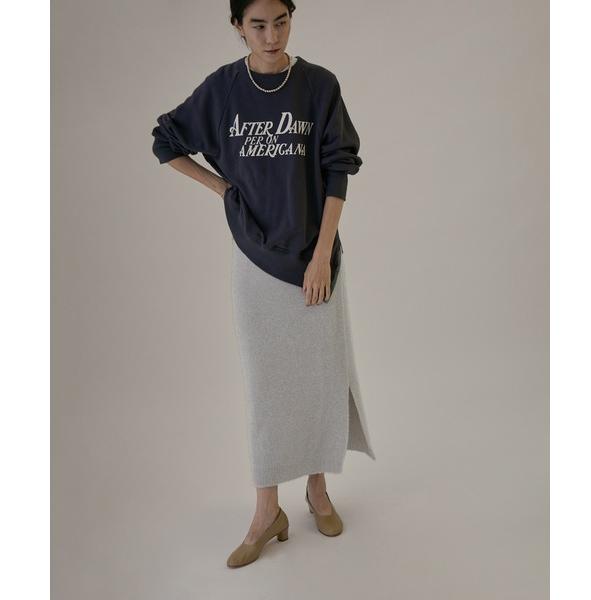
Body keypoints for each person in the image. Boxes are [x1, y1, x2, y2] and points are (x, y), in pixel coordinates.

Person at [151, 0, 376, 568]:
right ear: (238, 27)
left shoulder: (319, 85)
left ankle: (318, 491)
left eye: (281, 22)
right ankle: (266, 511)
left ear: (292, 19)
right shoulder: (224, 88)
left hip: (315, 257)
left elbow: (339, 167)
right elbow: (165, 140)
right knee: (266, 387)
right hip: (254, 256)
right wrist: (222, 189)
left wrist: (322, 255)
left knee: (320, 376)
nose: (271, 35)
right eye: (258, 25)